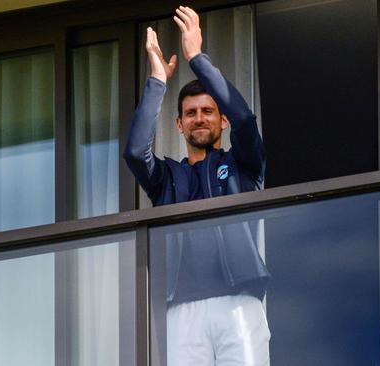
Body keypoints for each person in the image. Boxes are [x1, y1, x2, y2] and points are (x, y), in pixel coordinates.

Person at [124, 6, 271, 366]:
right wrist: (158, 80)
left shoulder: (242, 166)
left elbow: (246, 121)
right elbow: (134, 151)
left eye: (207, 111)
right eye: (190, 113)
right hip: (183, 310)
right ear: (179, 124)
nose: (199, 119)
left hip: (239, 301)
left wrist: (197, 58)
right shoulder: (167, 179)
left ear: (221, 121)